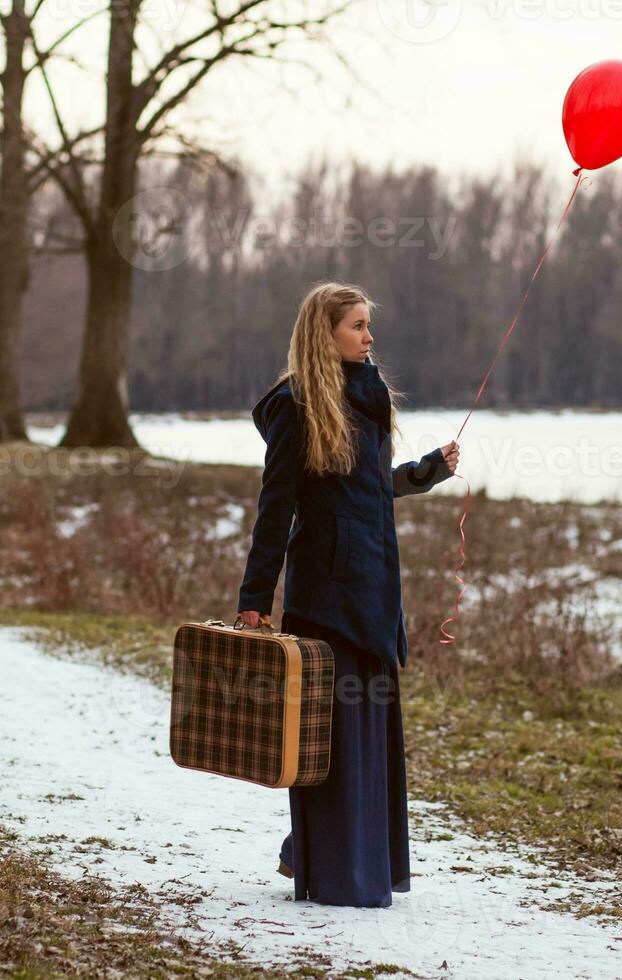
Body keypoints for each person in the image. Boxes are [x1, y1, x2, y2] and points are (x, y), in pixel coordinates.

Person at [235, 281, 459, 907]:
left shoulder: (368, 393)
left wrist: (425, 472)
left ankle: (331, 856)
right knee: (329, 733)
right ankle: (325, 863)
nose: (369, 336)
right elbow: (275, 510)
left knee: (368, 731)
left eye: (368, 325)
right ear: (325, 332)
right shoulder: (294, 405)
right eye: (358, 326)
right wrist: (255, 597)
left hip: (375, 586)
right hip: (326, 594)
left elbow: (364, 489)